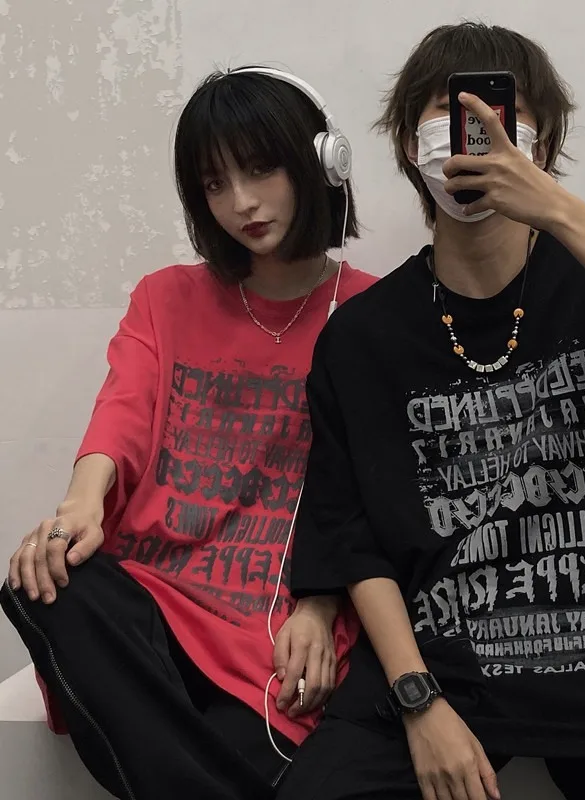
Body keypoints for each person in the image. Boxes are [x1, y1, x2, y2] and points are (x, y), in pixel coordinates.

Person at [276, 21, 585, 800]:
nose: (474, 131)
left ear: (544, 142)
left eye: (500, 113)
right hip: (448, 669)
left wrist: (561, 212)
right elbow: (355, 539)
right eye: (447, 112)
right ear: (407, 143)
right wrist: (416, 698)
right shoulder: (362, 338)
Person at [2, 65, 375, 800]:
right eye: (214, 183)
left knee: (222, 757)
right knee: (50, 579)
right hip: (152, 604)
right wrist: (80, 503)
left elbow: (371, 493)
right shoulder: (165, 298)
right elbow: (123, 407)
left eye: (260, 169)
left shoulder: (369, 314)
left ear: (321, 161)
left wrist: (321, 603)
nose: (240, 202)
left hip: (271, 627)